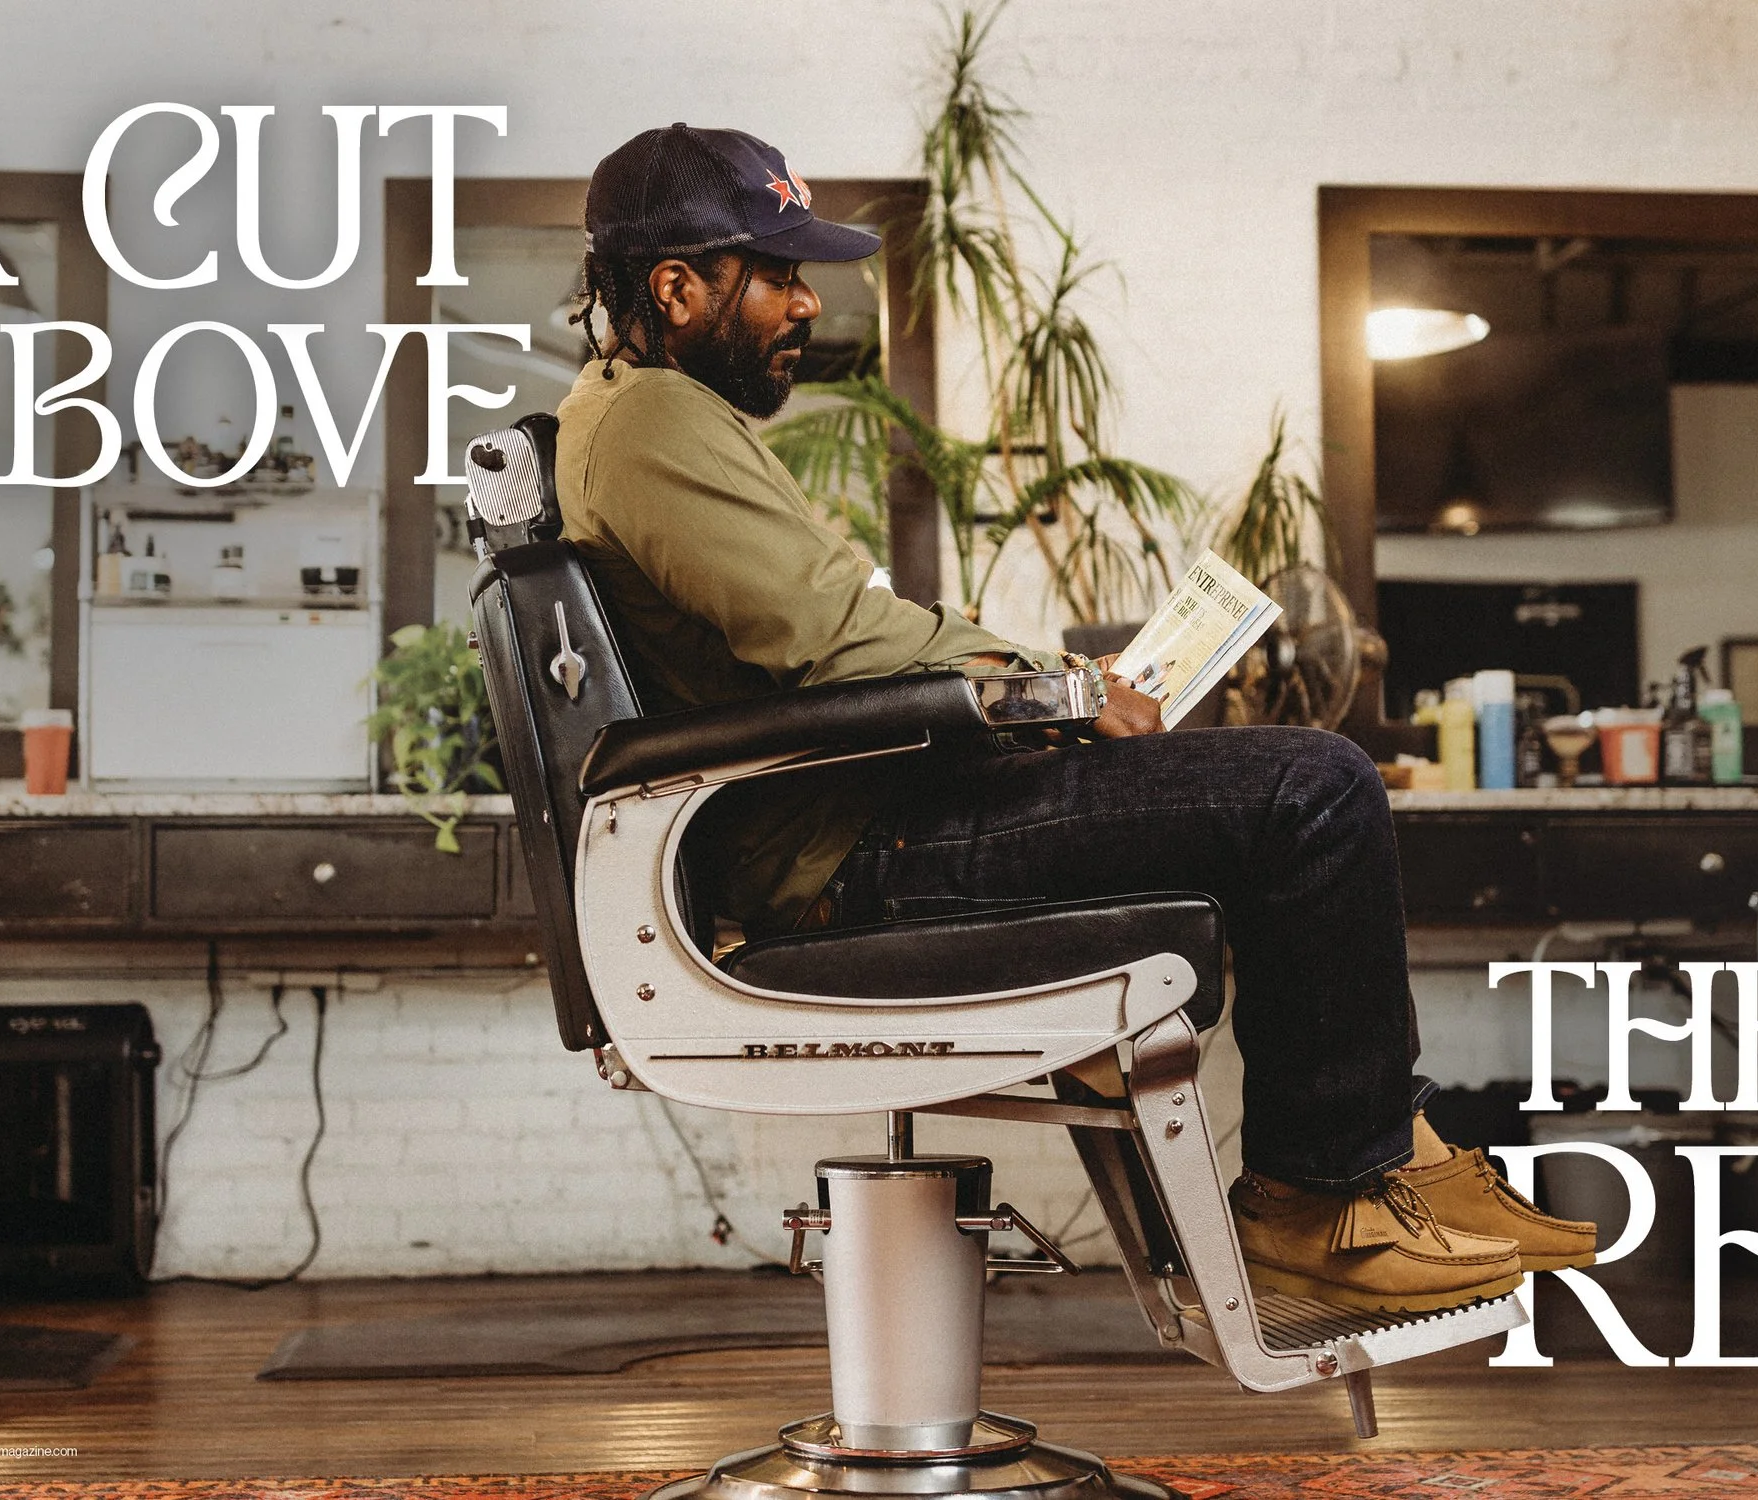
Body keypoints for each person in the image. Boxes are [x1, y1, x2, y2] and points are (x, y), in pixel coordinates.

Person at [553, 123, 1593, 1313]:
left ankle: (1385, 1163)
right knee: (1317, 784)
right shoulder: (652, 424)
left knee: (1280, 796)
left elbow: (821, 632)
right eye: (777, 274)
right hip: (852, 852)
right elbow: (830, 638)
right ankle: (1321, 1200)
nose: (804, 302)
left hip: (855, 822)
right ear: (678, 287)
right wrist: (1058, 685)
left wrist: (1026, 693)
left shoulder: (634, 415)